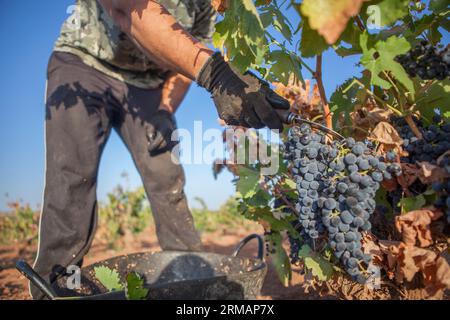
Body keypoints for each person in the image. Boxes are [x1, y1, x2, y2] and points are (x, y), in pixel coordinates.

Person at [31, 0, 290, 299]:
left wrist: (164, 110)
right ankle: (54, 286)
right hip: (84, 65)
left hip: (146, 87)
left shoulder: (204, 8)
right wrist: (216, 74)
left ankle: (191, 276)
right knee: (73, 176)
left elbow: (185, 62)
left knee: (167, 177)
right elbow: (126, 10)